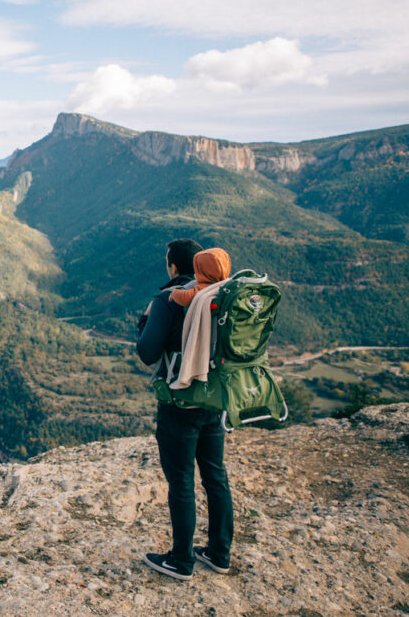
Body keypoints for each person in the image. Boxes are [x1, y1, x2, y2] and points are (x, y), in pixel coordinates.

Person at [136, 240, 234, 581]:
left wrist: (145, 324)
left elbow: (147, 352)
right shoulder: (223, 295)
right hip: (215, 400)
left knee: (181, 481)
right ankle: (219, 553)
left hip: (180, 404)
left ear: (173, 267)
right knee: (215, 475)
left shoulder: (167, 299)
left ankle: (181, 560)